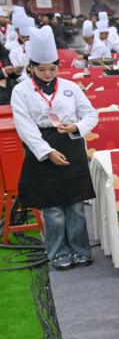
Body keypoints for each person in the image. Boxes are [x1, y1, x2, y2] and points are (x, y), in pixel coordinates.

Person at [12, 26, 98, 270]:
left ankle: (81, 251)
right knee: (53, 209)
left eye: (53, 68)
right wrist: (47, 152)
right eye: (42, 69)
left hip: (71, 144)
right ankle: (58, 253)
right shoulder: (21, 91)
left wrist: (76, 127)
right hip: (42, 147)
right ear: (31, 68)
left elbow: (91, 114)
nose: (48, 73)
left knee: (76, 206)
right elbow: (24, 126)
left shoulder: (71, 87)